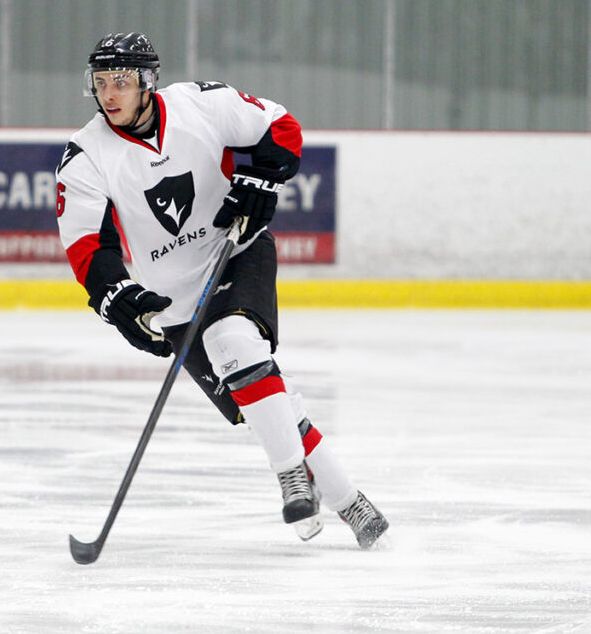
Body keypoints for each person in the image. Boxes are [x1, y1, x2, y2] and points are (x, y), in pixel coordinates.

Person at [55, 32, 388, 548]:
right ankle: (354, 506)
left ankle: (291, 478)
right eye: (100, 83)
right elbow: (87, 248)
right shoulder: (85, 155)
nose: (109, 94)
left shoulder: (200, 105)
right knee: (266, 405)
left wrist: (263, 180)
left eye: (121, 81)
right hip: (174, 299)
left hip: (236, 249)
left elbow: (280, 127)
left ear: (148, 82)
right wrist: (119, 298)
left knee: (232, 342)